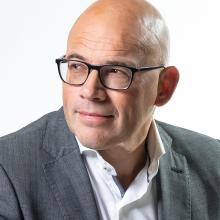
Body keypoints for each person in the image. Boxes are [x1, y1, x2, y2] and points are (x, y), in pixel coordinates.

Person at [0, 0, 219, 219]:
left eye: (116, 70)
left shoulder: (213, 163)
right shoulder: (7, 171)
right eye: (76, 66)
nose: (90, 90)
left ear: (164, 87)